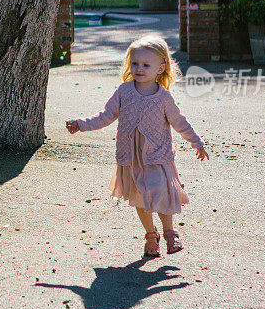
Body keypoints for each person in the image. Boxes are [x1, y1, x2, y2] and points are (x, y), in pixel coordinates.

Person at [65, 35, 209, 257]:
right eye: (135, 63)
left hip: (157, 156)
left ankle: (169, 231)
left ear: (160, 68)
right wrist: (81, 124)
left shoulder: (164, 98)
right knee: (140, 197)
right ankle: (151, 234)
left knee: (161, 191)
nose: (139, 69)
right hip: (131, 157)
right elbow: (106, 115)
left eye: (145, 65)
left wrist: (197, 142)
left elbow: (179, 122)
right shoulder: (124, 91)